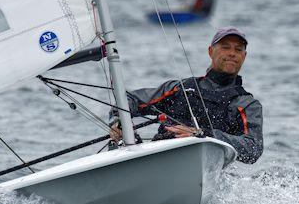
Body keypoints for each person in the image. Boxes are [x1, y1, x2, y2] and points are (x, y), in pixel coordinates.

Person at [111, 27, 263, 164]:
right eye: (225, 47)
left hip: (206, 171)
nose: (232, 53)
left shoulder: (247, 105)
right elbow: (129, 100)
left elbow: (254, 148)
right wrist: (119, 121)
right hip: (157, 160)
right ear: (210, 51)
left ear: (244, 56)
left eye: (238, 49)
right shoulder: (180, 89)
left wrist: (205, 136)